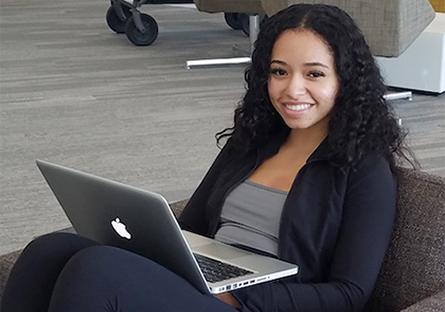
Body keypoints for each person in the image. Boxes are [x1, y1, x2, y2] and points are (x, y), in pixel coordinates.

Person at [2, 3, 413, 312]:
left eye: (314, 74)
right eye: (279, 71)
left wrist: (243, 294)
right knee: (50, 249)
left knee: (97, 269)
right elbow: (191, 228)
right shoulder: (254, 139)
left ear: (345, 80)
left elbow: (350, 293)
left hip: (257, 305)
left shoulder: (364, 168)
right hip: (208, 287)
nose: (292, 89)